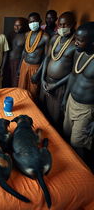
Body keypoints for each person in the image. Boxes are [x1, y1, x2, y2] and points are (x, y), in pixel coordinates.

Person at [62, 22, 94, 164]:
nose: (75, 43)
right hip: (71, 101)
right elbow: (73, 76)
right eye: (76, 38)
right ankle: (72, 162)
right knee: (67, 133)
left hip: (86, 109)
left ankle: (84, 170)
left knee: (77, 141)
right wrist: (65, 98)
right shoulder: (79, 53)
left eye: (80, 40)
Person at [40, 12, 76, 129]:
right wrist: (42, 79)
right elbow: (47, 58)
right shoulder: (55, 38)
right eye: (60, 25)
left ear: (73, 25)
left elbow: (74, 73)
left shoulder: (75, 44)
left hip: (60, 86)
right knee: (41, 112)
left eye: (65, 25)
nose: (62, 28)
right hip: (46, 82)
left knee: (54, 119)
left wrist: (55, 85)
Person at [18, 12, 49, 100]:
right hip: (24, 65)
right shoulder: (27, 34)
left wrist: (38, 73)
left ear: (40, 21)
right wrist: (19, 67)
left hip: (35, 68)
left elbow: (46, 57)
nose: (32, 23)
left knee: (33, 93)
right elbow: (24, 51)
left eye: (34, 21)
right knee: (21, 90)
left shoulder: (45, 37)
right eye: (30, 22)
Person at [3, 17, 28, 87]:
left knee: (15, 82)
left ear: (23, 26)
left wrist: (20, 67)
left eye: (19, 25)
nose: (16, 27)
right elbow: (6, 50)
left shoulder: (25, 36)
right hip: (8, 61)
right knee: (6, 82)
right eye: (15, 25)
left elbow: (25, 53)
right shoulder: (10, 34)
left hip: (18, 62)